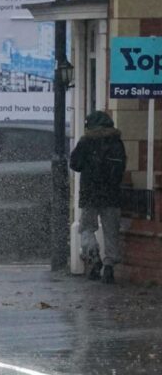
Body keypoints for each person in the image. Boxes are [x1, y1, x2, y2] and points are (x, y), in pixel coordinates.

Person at [69, 110, 126, 284]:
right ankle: (109, 266)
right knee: (111, 231)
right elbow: (122, 165)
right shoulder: (117, 142)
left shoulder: (86, 142)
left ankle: (94, 258)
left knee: (87, 228)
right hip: (112, 193)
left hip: (90, 193)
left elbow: (75, 164)